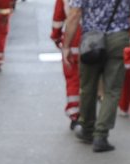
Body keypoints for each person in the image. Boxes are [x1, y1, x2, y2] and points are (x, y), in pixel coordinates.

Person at [61, 0, 130, 151]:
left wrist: (67, 45)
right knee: (112, 90)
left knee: (88, 87)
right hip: (119, 38)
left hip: (91, 40)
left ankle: (87, 129)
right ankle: (101, 135)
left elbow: (74, 14)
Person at [50, 0, 81, 129]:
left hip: (72, 37)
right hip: (93, 39)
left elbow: (58, 17)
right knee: (89, 79)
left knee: (72, 78)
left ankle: (74, 113)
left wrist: (56, 37)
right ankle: (88, 115)